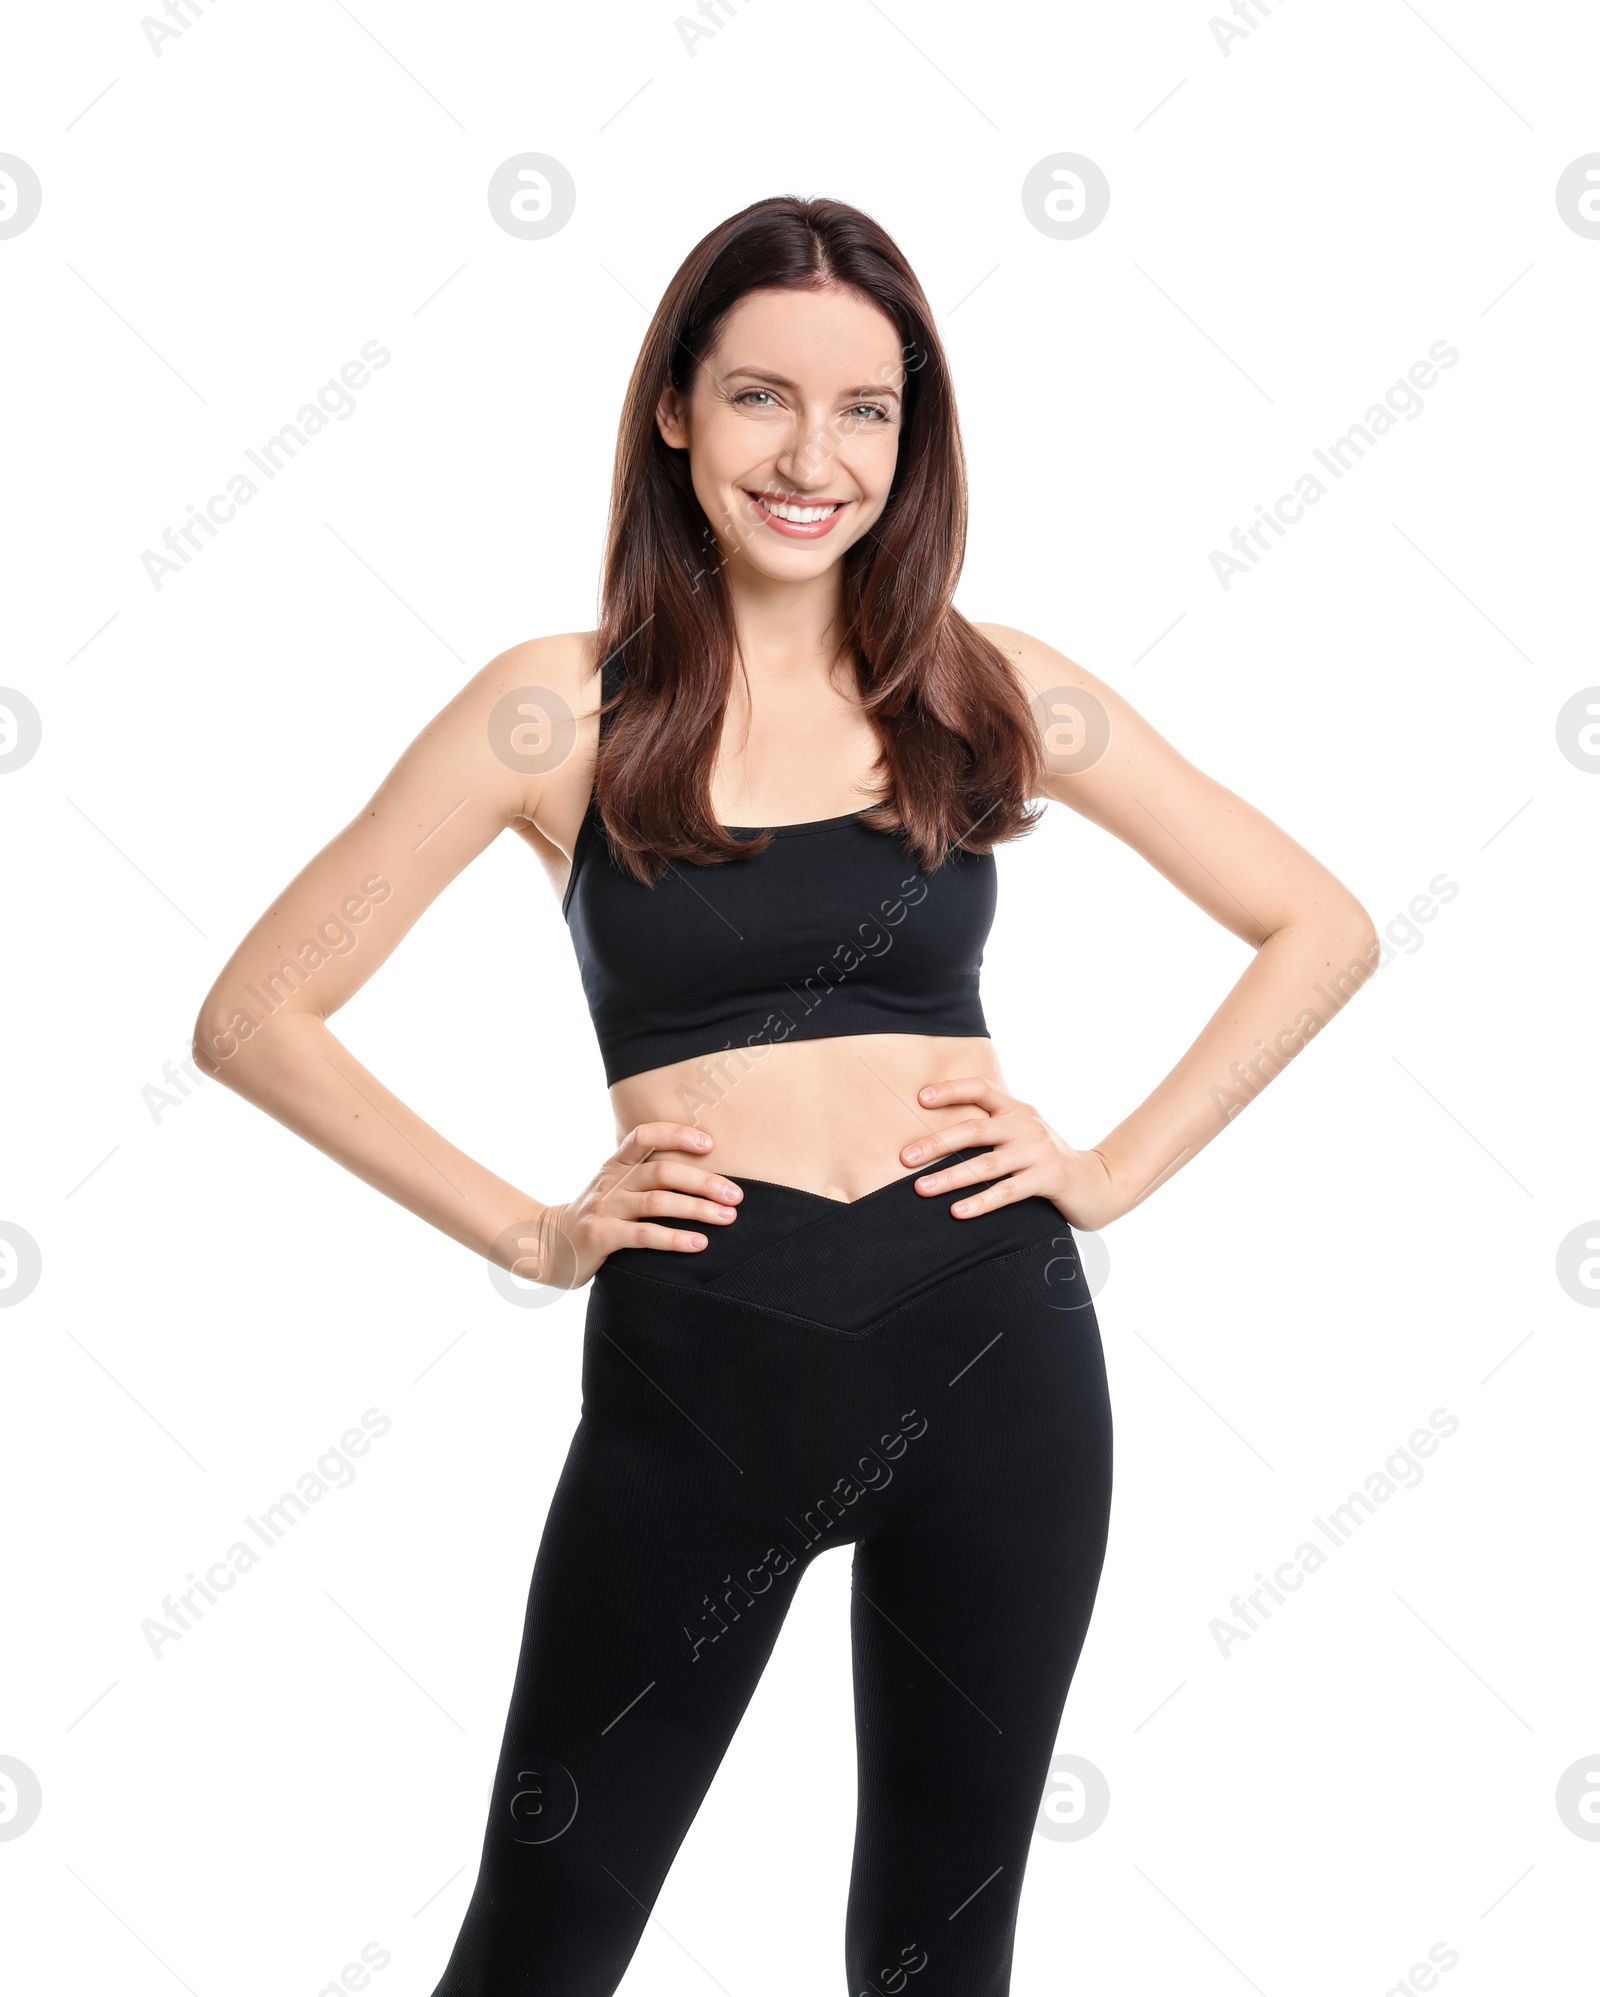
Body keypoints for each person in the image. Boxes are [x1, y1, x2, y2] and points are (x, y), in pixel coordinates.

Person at [193, 194, 1379, 1996]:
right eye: (762, 397)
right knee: (542, 1943)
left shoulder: (991, 688)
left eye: (867, 410)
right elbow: (258, 1010)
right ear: (675, 408)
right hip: (703, 1376)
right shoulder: (555, 710)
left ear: (913, 441)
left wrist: (1112, 1166)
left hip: (1000, 1364)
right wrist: (533, 1225)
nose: (813, 457)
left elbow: (1321, 923)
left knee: (936, 1955)